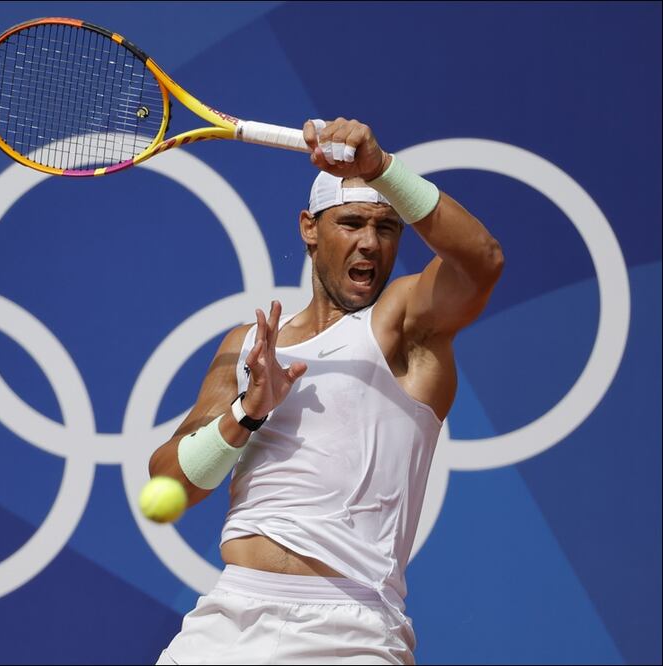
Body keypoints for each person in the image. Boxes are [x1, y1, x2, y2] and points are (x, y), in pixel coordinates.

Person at [150, 117, 504, 665]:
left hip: (349, 633)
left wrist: (382, 169)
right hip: (227, 622)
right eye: (352, 222)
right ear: (309, 229)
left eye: (386, 229)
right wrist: (247, 413)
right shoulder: (248, 345)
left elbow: (483, 262)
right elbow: (170, 483)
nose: (369, 242)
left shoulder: (405, 323)